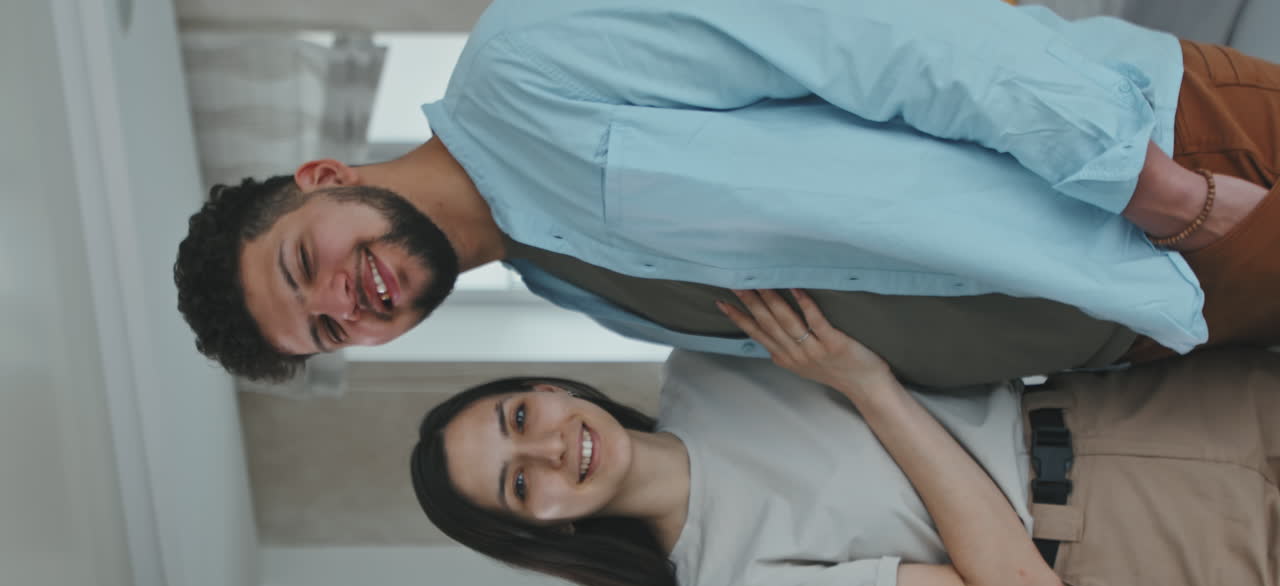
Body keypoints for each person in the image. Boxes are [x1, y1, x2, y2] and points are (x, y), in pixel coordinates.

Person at [174, 0, 1280, 386]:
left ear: (323, 179)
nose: (345, 298)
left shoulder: (525, 60)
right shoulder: (564, 286)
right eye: (324, 332)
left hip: (1165, 172)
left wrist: (1155, 190)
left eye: (302, 264)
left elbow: (881, 37)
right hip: (1139, 323)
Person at [411, 288, 1280, 586]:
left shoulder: (711, 355)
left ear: (549, 389)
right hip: (1132, 560)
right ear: (548, 530)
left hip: (1131, 406)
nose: (552, 451)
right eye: (521, 487)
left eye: (520, 418)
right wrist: (866, 387)